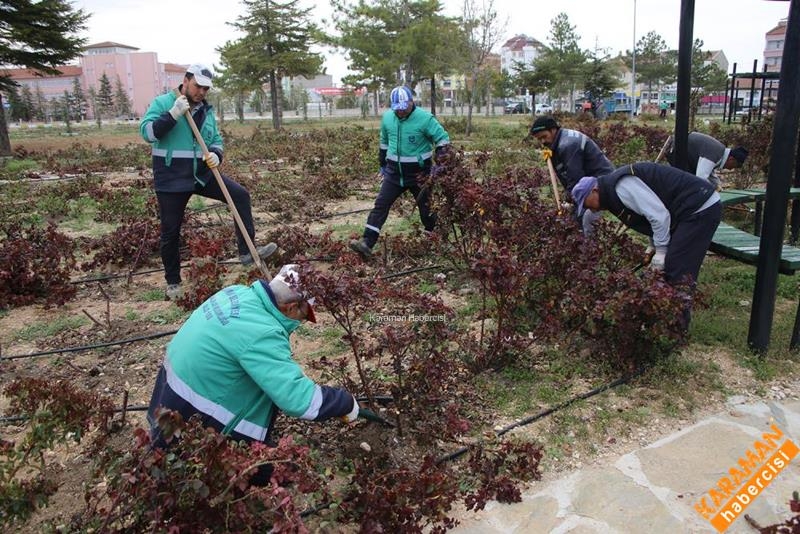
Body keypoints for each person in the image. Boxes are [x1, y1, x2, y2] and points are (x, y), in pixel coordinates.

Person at [147, 264, 359, 481]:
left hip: (166, 401)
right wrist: (344, 402)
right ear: (291, 308)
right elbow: (299, 400)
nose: (300, 323)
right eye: (304, 316)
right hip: (195, 421)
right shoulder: (263, 332)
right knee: (287, 472)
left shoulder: (236, 293)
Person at [140, 64, 277, 300]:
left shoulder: (206, 110)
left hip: (201, 175)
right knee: (170, 232)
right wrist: (172, 115)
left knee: (240, 195)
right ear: (186, 80)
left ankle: (246, 252)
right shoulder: (163, 103)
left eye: (205, 88)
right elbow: (148, 134)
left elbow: (215, 139)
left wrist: (216, 153)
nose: (201, 92)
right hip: (171, 179)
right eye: (197, 86)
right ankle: (173, 282)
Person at [571, 162, 722, 326]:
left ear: (594, 191)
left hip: (699, 207)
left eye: (587, 204)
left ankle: (678, 328)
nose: (591, 210)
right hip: (684, 211)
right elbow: (646, 218)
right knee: (669, 268)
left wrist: (662, 251)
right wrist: (653, 246)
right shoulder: (610, 195)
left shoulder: (621, 186)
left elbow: (659, 216)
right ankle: (663, 321)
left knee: (678, 267)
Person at [349, 86, 451, 258]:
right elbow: (384, 143)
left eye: (404, 107)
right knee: (381, 205)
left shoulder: (425, 119)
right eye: (398, 108)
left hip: (420, 174)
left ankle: (434, 242)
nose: (401, 111)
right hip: (394, 174)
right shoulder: (388, 117)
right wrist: (382, 164)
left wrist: (440, 165)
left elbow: (443, 140)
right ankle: (367, 243)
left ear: (412, 102)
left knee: (426, 210)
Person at [529, 116, 615, 233]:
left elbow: (574, 178)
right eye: (539, 139)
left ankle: (589, 245)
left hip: (601, 181)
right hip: (587, 181)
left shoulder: (568, 145)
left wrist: (568, 201)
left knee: (585, 218)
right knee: (575, 215)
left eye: (544, 137)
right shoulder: (559, 140)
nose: (543, 142)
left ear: (553, 130)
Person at [668, 132, 748, 190]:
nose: (730, 169)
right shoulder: (715, 152)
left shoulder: (719, 152)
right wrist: (712, 192)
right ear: (731, 159)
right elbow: (701, 177)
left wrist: (718, 185)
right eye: (734, 166)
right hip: (677, 150)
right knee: (690, 182)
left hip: (684, 152)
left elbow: (710, 172)